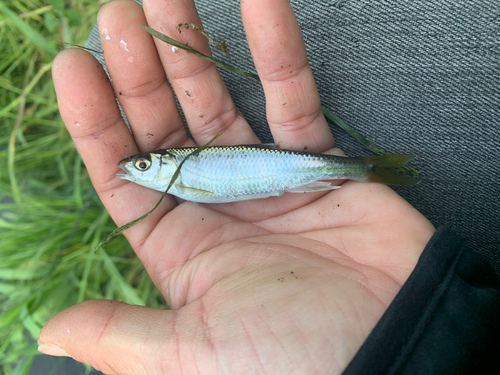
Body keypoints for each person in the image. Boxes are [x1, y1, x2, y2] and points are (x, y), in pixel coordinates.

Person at [38, 0, 500, 374]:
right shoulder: (180, 175)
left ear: (159, 163)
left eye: (141, 165)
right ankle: (370, 169)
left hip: (298, 182)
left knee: (101, 43)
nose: (135, 169)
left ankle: (368, 169)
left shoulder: (181, 176)